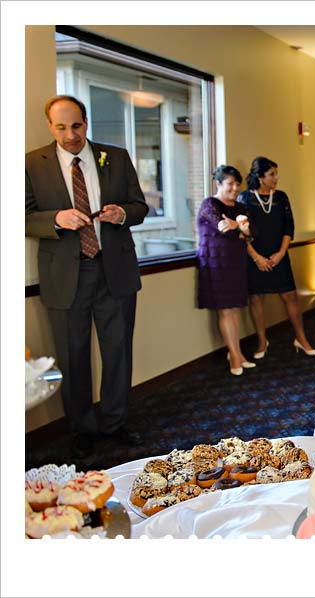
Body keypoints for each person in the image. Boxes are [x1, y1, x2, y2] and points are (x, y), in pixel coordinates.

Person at [25, 95, 148, 459]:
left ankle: (115, 421)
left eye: (76, 126)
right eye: (61, 127)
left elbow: (140, 206)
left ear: (86, 122)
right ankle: (81, 428)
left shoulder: (117, 157)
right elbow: (20, 214)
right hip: (66, 274)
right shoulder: (32, 163)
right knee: (72, 354)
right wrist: (55, 219)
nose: (70, 135)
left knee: (118, 351)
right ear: (50, 126)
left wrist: (122, 213)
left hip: (115, 271)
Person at [238, 156, 315, 359]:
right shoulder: (244, 199)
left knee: (290, 296)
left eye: (276, 173)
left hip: (279, 256)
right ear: (260, 176)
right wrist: (257, 258)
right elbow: (241, 232)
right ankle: (261, 341)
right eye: (272, 174)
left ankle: (301, 339)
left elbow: (288, 228)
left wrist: (281, 253)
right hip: (254, 257)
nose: (276, 178)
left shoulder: (281, 197)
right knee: (256, 298)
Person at [197, 165, 256, 376]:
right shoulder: (209, 204)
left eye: (237, 183)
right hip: (216, 264)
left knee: (236, 308)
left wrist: (237, 227)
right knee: (226, 310)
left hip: (236, 263)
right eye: (230, 183)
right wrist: (238, 228)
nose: (235, 188)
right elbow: (222, 226)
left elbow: (251, 233)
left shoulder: (240, 207)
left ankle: (237, 353)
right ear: (219, 183)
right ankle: (234, 356)